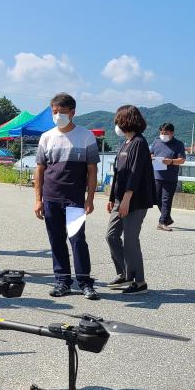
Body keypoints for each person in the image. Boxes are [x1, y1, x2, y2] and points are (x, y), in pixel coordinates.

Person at [33, 93, 100, 300]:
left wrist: (90, 199)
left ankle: (85, 282)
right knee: (56, 240)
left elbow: (92, 170)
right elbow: (40, 170)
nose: (58, 115)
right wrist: (38, 199)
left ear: (72, 112)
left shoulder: (86, 136)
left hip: (75, 198)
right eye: (55, 112)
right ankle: (62, 281)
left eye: (62, 112)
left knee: (78, 240)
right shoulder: (46, 137)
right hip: (51, 196)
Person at [105, 105, 155, 293]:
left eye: (118, 120)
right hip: (120, 199)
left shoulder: (139, 143)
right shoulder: (125, 144)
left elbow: (134, 173)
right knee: (111, 235)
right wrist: (112, 197)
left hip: (135, 200)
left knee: (131, 240)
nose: (116, 124)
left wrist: (126, 199)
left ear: (125, 121)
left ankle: (139, 280)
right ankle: (125, 273)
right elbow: (119, 174)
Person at [149, 122, 185, 231]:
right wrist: (152, 157)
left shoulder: (178, 144)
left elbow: (182, 160)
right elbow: (150, 153)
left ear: (172, 133)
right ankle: (167, 218)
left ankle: (162, 222)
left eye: (166, 133)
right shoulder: (156, 141)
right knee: (157, 200)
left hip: (170, 177)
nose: (163, 135)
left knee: (166, 200)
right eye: (161, 132)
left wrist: (171, 161)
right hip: (156, 176)